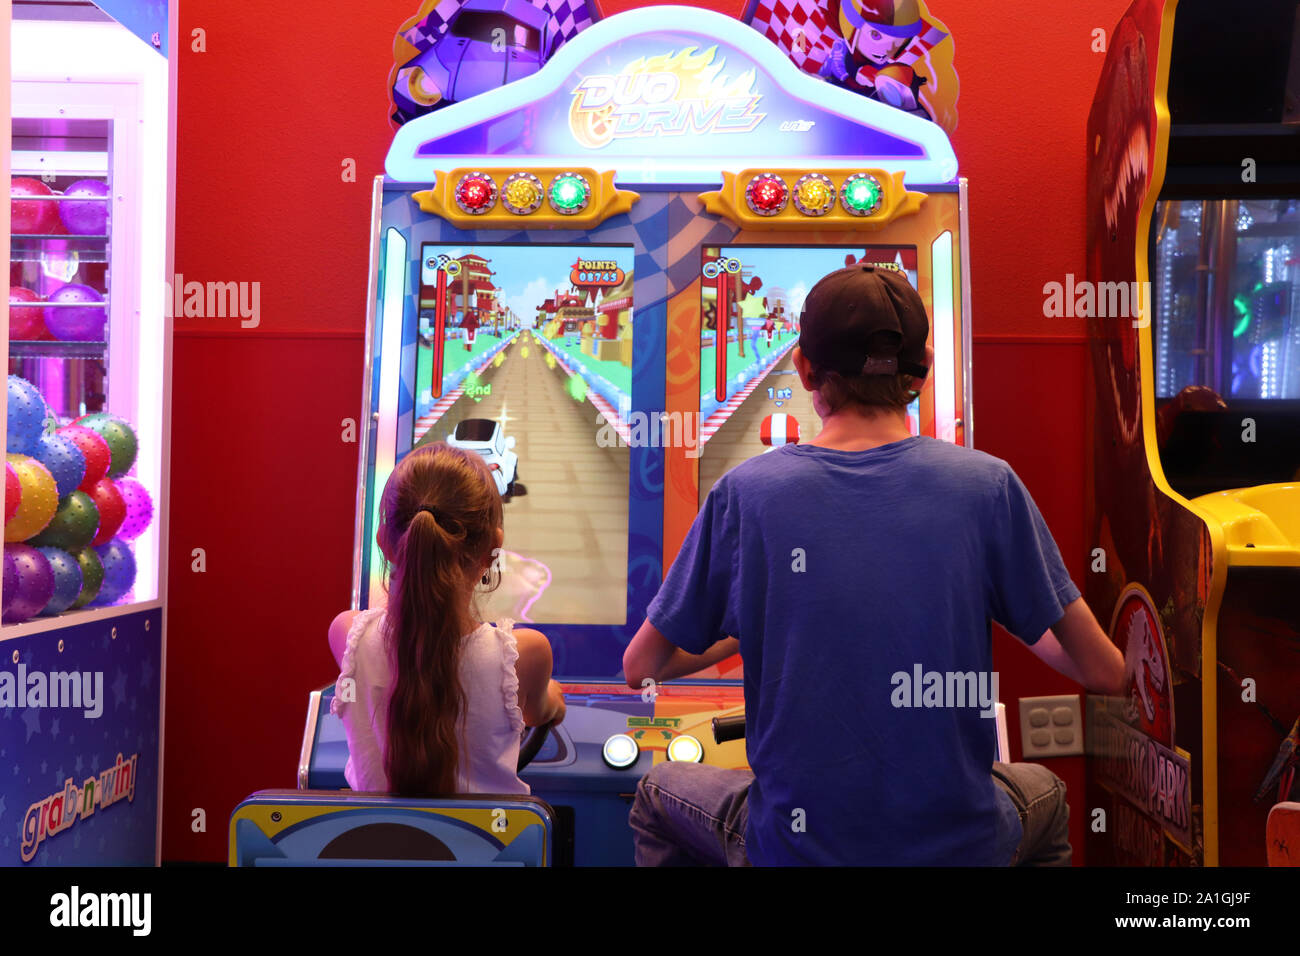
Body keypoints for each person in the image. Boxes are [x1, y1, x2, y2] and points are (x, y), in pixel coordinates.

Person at [623, 263, 1126, 866]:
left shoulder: (745, 492)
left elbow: (641, 666)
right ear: (922, 371)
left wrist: (753, 622)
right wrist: (1018, 613)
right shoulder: (987, 485)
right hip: (956, 848)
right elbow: (1104, 672)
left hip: (796, 849)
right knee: (1045, 793)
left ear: (805, 367)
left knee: (657, 792)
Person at [330, 442, 565, 796]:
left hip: (371, 846)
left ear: (384, 542)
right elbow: (540, 711)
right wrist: (554, 698)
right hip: (490, 848)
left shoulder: (347, 634)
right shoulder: (525, 656)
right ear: (493, 550)